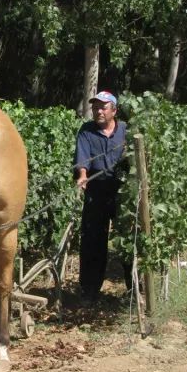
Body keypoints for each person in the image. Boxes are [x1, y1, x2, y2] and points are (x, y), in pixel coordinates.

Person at [74, 90, 130, 304]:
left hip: (123, 193)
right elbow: (83, 156)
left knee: (127, 240)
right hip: (95, 191)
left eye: (103, 107)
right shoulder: (87, 131)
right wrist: (82, 175)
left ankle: (134, 289)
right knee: (92, 241)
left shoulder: (126, 130)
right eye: (95, 107)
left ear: (114, 110)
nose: (98, 111)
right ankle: (89, 292)